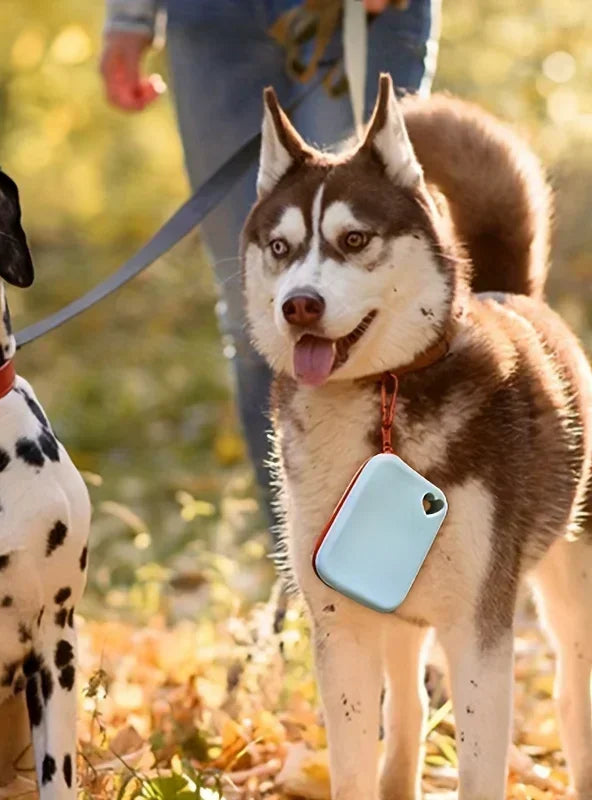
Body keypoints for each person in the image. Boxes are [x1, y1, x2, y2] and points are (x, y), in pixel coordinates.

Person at [100, 0, 441, 536]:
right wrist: (129, 17)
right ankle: (302, 562)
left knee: (384, 298)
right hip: (209, 21)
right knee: (254, 312)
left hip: (358, 14)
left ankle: (401, 547)